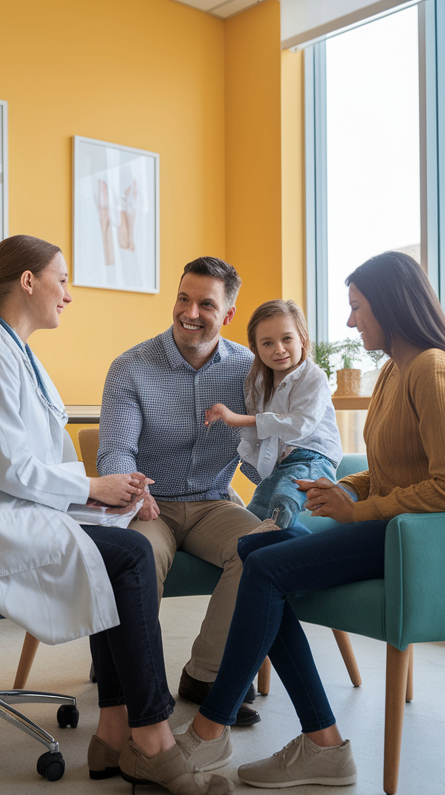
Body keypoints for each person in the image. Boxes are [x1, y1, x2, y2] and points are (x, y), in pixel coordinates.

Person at [0, 234, 230, 795]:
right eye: (62, 280)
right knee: (132, 555)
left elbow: (33, 461)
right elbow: (10, 467)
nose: (69, 294)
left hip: (18, 508)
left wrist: (102, 496)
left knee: (124, 549)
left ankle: (113, 731)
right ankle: (153, 738)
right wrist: (93, 485)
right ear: (30, 282)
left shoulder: (15, 352)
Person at [179, 250, 445, 789]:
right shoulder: (395, 370)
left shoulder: (434, 369)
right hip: (385, 528)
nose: (349, 322)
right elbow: (389, 469)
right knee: (255, 550)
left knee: (264, 566)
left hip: (411, 541)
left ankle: (212, 727)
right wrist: (341, 487)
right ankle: (320, 744)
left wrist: (360, 509)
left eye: (358, 307)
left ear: (390, 306)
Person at [97, 256, 265, 725]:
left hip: (214, 501)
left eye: (206, 304)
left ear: (228, 314)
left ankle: (205, 674)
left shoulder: (249, 370)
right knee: (138, 558)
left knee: (260, 551)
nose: (190, 312)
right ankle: (136, 684)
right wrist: (133, 492)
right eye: (183, 299)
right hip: (150, 505)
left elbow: (259, 450)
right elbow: (114, 450)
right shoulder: (131, 368)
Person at [204, 300, 342, 534]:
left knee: (286, 494)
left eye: (287, 339)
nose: (279, 349)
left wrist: (239, 419)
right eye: (268, 343)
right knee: (258, 504)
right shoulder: (256, 383)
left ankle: (279, 528)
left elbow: (300, 425)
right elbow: (255, 436)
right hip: (282, 464)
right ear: (255, 349)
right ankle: (269, 536)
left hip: (313, 459)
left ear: (303, 339)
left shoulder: (313, 377)